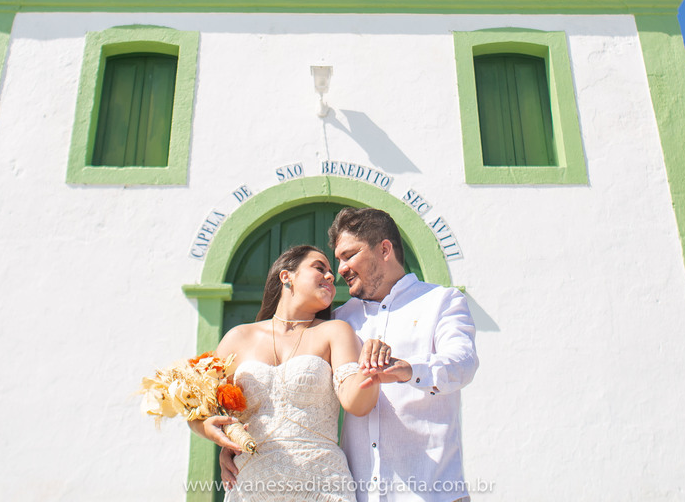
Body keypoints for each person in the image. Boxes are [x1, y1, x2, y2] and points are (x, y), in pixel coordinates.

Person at [191, 245, 387, 502]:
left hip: (323, 485)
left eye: (331, 272)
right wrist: (207, 429)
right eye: (320, 268)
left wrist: (372, 370)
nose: (331, 276)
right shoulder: (238, 337)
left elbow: (356, 403)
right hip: (251, 486)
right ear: (287, 276)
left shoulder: (335, 332)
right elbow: (197, 410)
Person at [329, 207, 479, 502]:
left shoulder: (442, 302)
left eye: (349, 255)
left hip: (433, 493)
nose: (340, 270)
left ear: (384, 249)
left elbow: (463, 362)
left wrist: (409, 369)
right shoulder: (338, 321)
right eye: (339, 260)